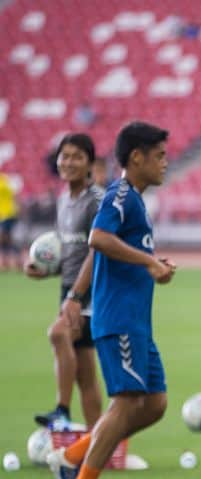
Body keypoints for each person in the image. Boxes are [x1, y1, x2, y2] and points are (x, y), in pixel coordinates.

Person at [45, 121, 176, 479]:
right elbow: (97, 239)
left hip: (136, 321)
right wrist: (149, 262)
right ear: (136, 158)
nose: (166, 163)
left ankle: (70, 457)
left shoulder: (133, 198)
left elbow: (100, 250)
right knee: (125, 402)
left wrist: (151, 263)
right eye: (160, 156)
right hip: (119, 319)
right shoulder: (120, 194)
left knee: (154, 404)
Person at [27, 133, 104, 430]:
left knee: (58, 334)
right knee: (85, 372)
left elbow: (98, 251)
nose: (68, 162)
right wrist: (46, 269)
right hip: (69, 289)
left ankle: (61, 409)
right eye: (64, 156)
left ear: (89, 164)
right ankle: (100, 443)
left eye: (77, 156)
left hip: (89, 292)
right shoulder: (64, 200)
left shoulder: (96, 201)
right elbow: (71, 251)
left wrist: (76, 293)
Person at [0, 171, 19, 270]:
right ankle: (11, 260)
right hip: (2, 215)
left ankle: (13, 259)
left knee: (4, 237)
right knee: (7, 239)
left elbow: (14, 196)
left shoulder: (4, 180)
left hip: (8, 214)